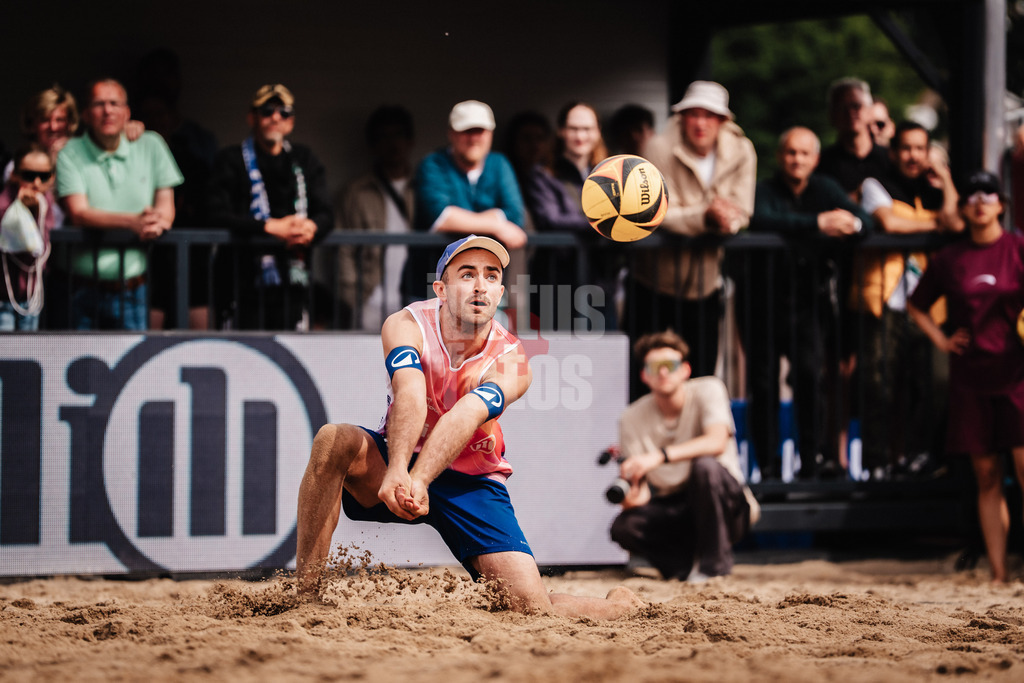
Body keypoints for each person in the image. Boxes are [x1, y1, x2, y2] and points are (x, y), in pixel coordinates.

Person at [296, 235, 641, 617]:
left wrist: (420, 480)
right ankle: (305, 597)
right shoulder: (406, 324)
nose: (481, 285)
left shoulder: (513, 359)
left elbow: (464, 415)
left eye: (492, 276)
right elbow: (409, 392)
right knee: (333, 440)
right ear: (441, 289)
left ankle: (622, 606)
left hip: (471, 481)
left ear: (500, 291)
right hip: (399, 456)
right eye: (467, 274)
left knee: (531, 608)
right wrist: (398, 471)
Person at [907, 170, 1024, 583]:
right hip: (971, 376)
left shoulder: (1017, 248)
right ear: (964, 207)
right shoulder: (950, 260)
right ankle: (998, 573)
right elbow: (916, 304)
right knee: (987, 477)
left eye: (988, 192)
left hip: (1017, 375)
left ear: (1001, 204)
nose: (979, 200)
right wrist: (941, 339)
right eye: (971, 194)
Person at [745, 127, 872, 479]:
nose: (796, 159)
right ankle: (767, 467)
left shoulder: (825, 189)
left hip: (808, 303)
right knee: (764, 383)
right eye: (790, 152)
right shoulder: (764, 190)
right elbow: (758, 219)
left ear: (815, 159)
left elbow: (866, 222)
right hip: (763, 300)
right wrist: (817, 224)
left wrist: (853, 226)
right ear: (779, 156)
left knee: (809, 379)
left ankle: (811, 461)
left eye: (804, 153)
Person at [852, 121, 963, 479]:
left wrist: (945, 182)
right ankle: (878, 463)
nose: (913, 156)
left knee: (934, 382)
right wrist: (936, 224)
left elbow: (957, 223)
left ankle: (921, 457)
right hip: (885, 301)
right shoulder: (875, 184)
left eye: (920, 148)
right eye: (905, 148)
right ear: (893, 152)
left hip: (927, 308)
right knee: (879, 384)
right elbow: (890, 224)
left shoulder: (932, 191)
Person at [610, 330, 758, 581]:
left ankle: (714, 569)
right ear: (644, 375)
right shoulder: (631, 417)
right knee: (624, 527)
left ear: (685, 370)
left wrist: (660, 456)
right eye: (655, 366)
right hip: (678, 508)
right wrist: (631, 496)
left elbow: (716, 441)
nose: (663, 372)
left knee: (705, 468)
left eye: (670, 365)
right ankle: (683, 569)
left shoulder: (708, 389)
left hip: (726, 505)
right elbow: (643, 491)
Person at [634, 81, 756, 384]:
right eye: (693, 114)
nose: (701, 123)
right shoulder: (657, 147)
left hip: (705, 282)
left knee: (701, 375)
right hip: (653, 281)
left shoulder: (742, 150)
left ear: (723, 121)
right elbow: (656, 210)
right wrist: (705, 216)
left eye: (709, 115)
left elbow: (743, 207)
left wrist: (729, 221)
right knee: (643, 374)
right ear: (681, 117)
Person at [55, 78, 182, 330]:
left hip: (133, 289)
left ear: (127, 112)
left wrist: (159, 222)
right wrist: (132, 222)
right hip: (78, 289)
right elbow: (79, 213)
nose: (108, 110)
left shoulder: (151, 144)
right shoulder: (70, 151)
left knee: (134, 366)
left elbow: (166, 205)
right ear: (85, 115)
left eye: (115, 103)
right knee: (79, 368)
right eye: (99, 104)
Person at [207, 84, 333, 330]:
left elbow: (326, 212)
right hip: (240, 284)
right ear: (252, 118)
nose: (275, 117)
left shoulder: (303, 158)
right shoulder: (231, 159)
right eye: (267, 111)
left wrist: (310, 227)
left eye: (283, 113)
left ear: (291, 122)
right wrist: (269, 227)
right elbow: (214, 212)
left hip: (293, 283)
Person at [406, 100, 528, 302]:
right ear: (451, 134)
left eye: (480, 131)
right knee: (427, 334)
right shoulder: (433, 164)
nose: (474, 138)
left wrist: (462, 219)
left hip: (484, 290)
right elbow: (440, 217)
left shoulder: (499, 164)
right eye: (466, 131)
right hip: (432, 285)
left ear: (490, 134)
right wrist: (496, 223)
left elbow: (515, 216)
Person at [133, 48, 220, 330]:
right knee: (153, 313)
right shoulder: (133, 147)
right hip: (149, 247)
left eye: (162, 115)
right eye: (150, 117)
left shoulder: (194, 144)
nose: (157, 121)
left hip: (190, 243)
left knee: (196, 308)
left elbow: (208, 188)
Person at [523, 101, 615, 331]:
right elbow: (550, 219)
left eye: (587, 129)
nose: (580, 135)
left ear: (597, 132)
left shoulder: (610, 173)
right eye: (574, 128)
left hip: (599, 282)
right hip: (555, 284)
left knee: (604, 358)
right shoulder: (542, 173)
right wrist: (605, 221)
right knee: (556, 357)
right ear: (561, 131)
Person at [336, 105, 416, 330]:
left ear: (410, 141)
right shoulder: (356, 192)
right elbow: (343, 251)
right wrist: (352, 296)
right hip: (369, 299)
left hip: (417, 298)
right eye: (384, 137)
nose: (392, 143)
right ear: (373, 145)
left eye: (398, 135)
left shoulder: (424, 187)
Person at [0, 146, 55, 330]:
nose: (37, 183)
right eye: (29, 175)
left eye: (44, 176)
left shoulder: (45, 202)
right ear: (14, 174)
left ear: (52, 177)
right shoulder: (4, 201)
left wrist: (36, 211)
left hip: (31, 297)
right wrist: (17, 210)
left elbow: (41, 249)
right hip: (3, 296)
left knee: (26, 354)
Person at [817, 78, 891, 199]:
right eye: (843, 108)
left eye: (856, 106)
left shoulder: (890, 160)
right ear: (832, 114)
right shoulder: (822, 165)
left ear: (869, 110)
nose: (850, 113)